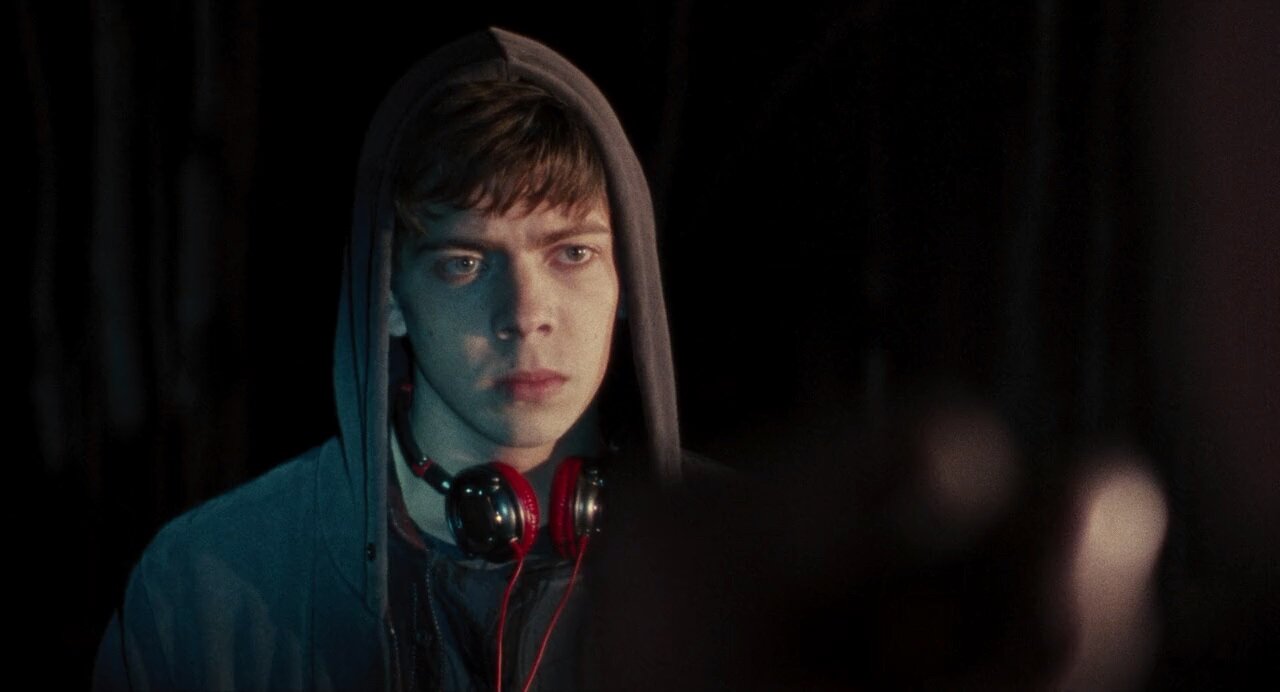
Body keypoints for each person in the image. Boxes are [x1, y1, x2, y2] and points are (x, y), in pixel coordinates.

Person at [92, 27, 702, 690]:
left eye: (572, 253)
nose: (526, 314)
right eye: (465, 263)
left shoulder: (751, 565)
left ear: (628, 280)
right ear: (387, 296)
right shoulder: (208, 590)